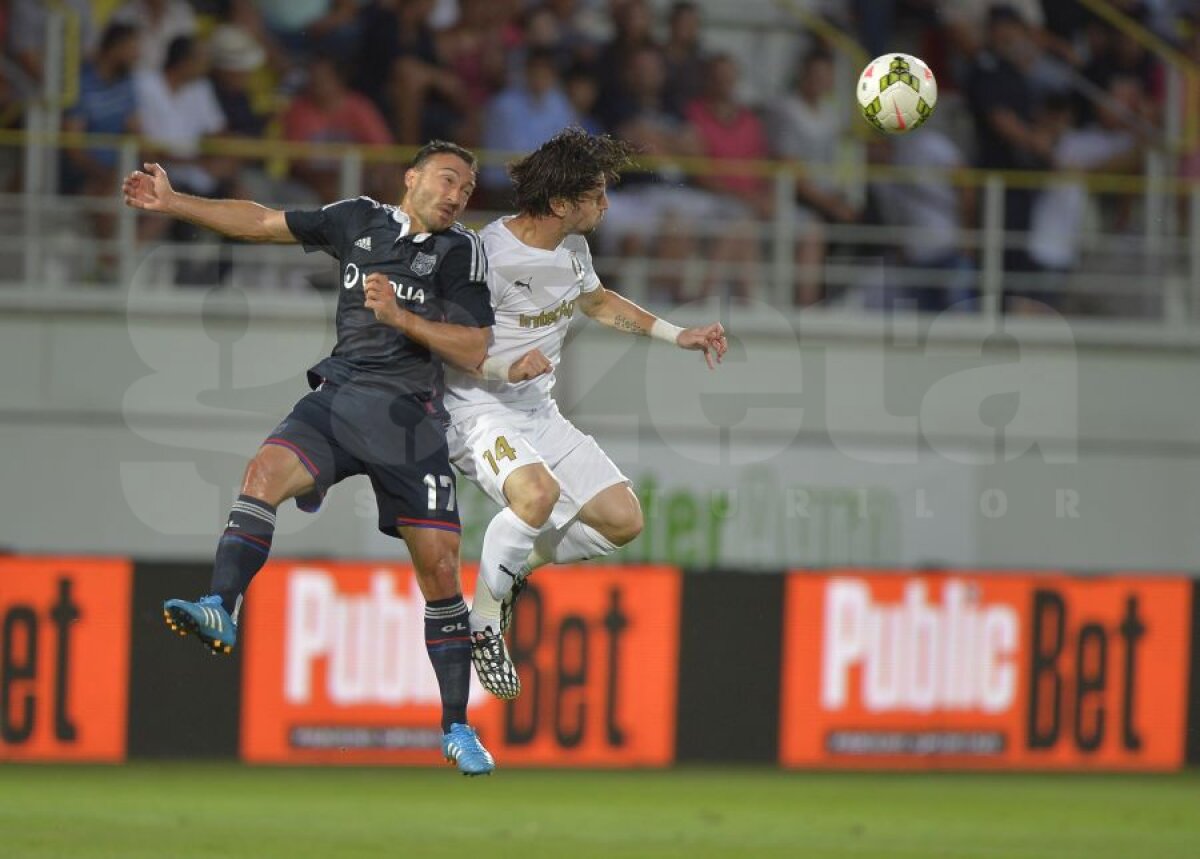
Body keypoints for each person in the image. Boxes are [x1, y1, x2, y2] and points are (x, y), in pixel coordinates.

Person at [121, 142, 498, 776]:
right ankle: (221, 605)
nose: (458, 194)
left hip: (410, 422)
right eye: (447, 179)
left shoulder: (461, 252)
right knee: (262, 474)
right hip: (341, 399)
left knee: (439, 572)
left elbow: (475, 348)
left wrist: (401, 317)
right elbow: (265, 222)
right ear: (412, 179)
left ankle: (458, 727)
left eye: (466, 187)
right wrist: (175, 202)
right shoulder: (357, 218)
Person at [444, 128, 728, 700]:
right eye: (595, 195)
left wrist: (679, 335)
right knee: (536, 498)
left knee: (622, 520)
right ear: (558, 203)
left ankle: (514, 567)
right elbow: (448, 342)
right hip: (477, 409)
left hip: (537, 411)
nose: (605, 205)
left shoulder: (572, 249)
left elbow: (596, 301)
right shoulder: (485, 255)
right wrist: (501, 372)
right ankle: (483, 624)